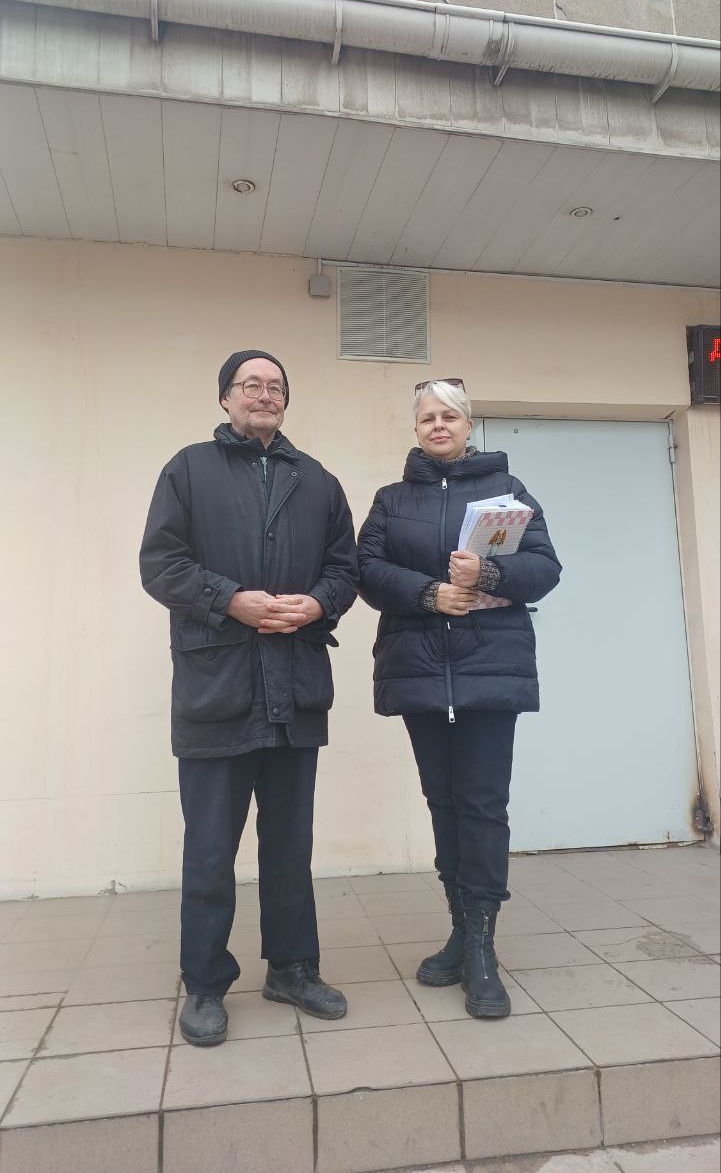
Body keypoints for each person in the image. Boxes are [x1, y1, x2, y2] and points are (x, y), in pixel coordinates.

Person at [140, 350, 358, 1046]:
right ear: (225, 398)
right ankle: (205, 983)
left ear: (285, 402)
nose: (265, 395)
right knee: (210, 852)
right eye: (251, 385)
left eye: (276, 387)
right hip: (218, 690)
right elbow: (160, 564)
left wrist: (318, 603)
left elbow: (345, 569)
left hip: (294, 690)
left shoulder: (317, 481)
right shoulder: (187, 470)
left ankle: (292, 968)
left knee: (290, 847)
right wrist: (228, 599)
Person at [357, 379, 561, 1019]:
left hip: (488, 670)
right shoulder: (392, 500)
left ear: (468, 425)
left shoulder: (508, 493)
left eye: (449, 416)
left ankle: (482, 947)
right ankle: (459, 930)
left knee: (482, 805)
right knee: (442, 802)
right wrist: (429, 593)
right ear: (416, 429)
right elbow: (366, 569)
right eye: (427, 418)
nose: (438, 425)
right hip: (419, 671)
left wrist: (488, 573)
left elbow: (546, 568)